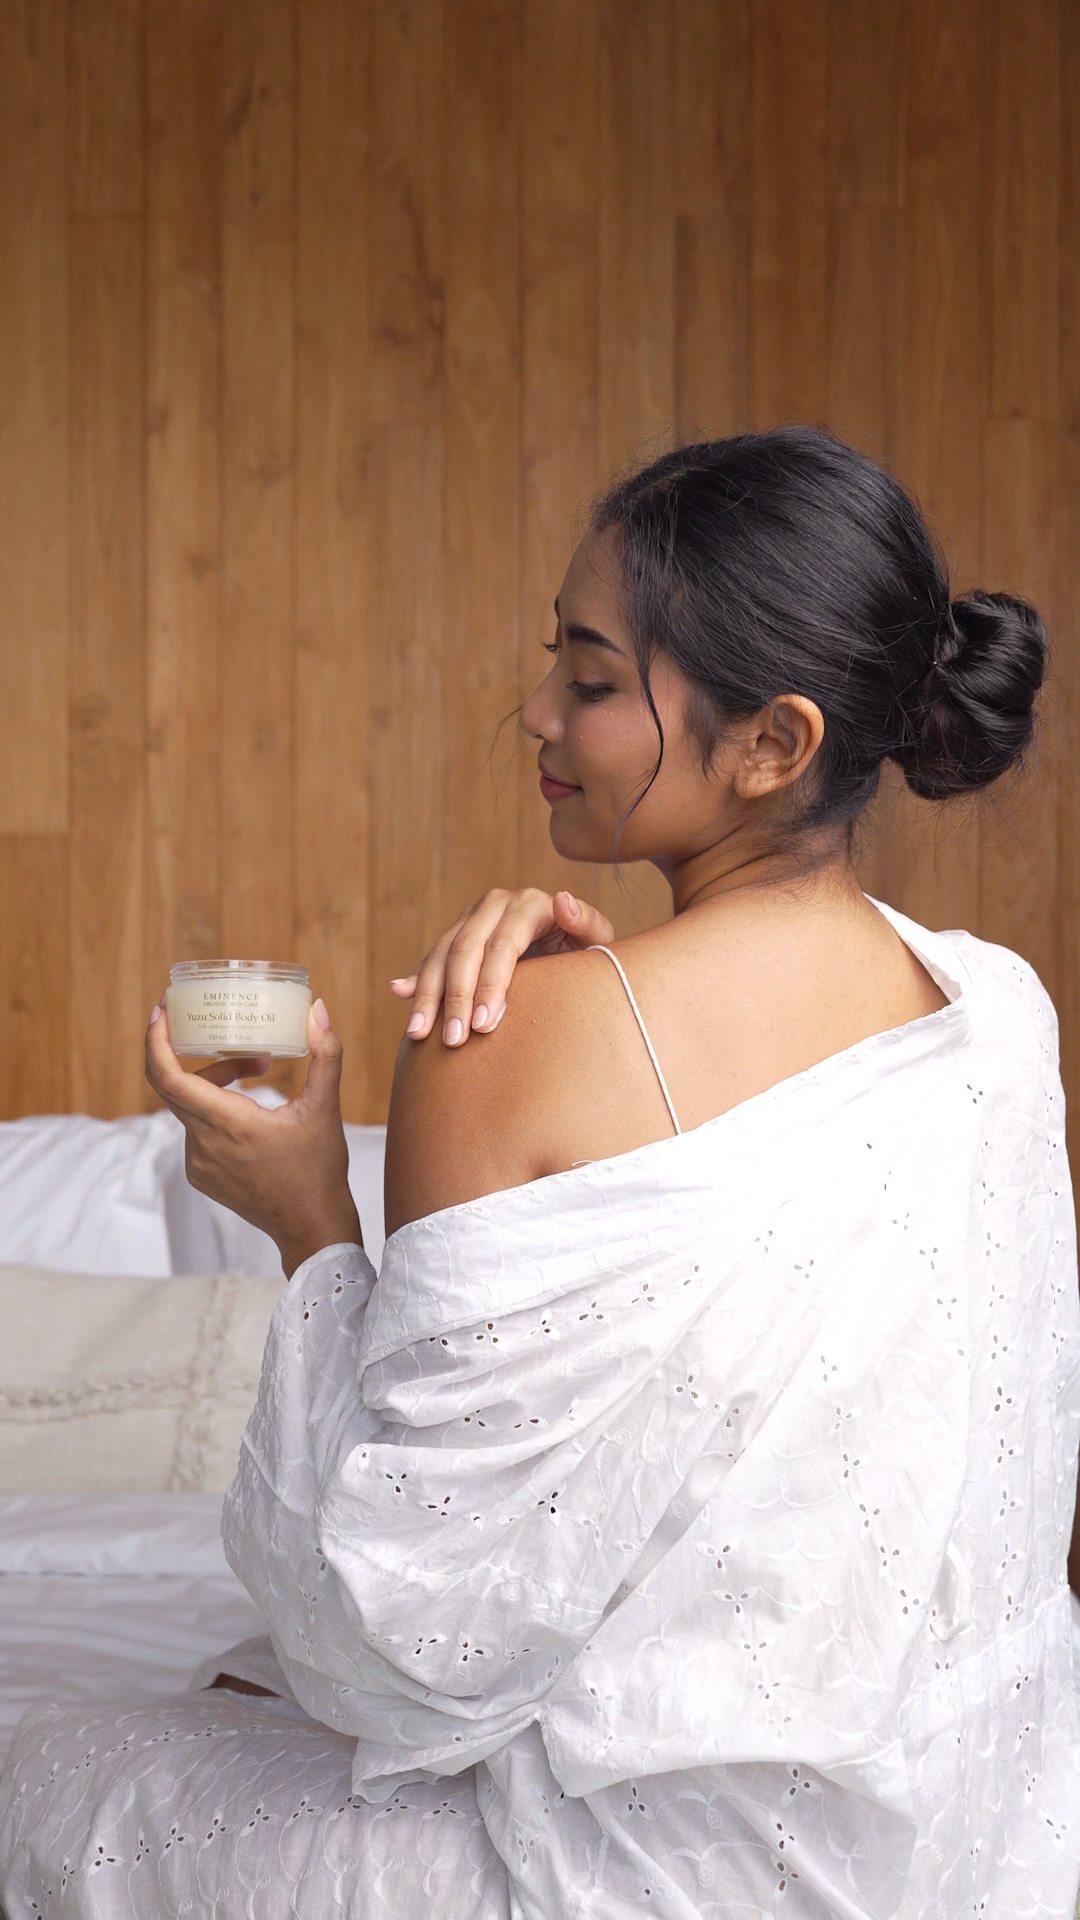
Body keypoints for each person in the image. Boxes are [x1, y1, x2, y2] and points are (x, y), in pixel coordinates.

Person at [2, 427, 1078, 1918]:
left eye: (588, 677)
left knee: (53, 1773)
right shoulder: (1000, 1011)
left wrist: (311, 1216)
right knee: (223, 1684)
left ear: (772, 743)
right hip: (966, 1837)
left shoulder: (500, 1039)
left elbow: (390, 1646)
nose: (535, 713)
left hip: (631, 1881)